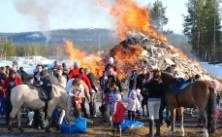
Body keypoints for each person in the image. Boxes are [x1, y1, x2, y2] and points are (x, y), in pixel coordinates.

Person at [146, 69, 164, 137]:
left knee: (151, 117)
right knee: (157, 116)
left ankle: (151, 133)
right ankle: (158, 133)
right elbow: (163, 92)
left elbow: (145, 86)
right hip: (158, 100)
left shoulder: (151, 81)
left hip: (151, 100)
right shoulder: (161, 82)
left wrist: (149, 78)